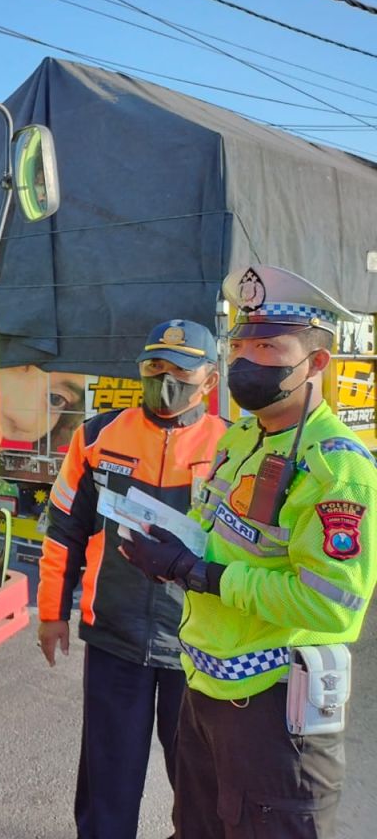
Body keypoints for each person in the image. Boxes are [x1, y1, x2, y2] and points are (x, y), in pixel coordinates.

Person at [122, 266, 377, 839]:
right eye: (240, 345)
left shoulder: (337, 468)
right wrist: (172, 547)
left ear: (315, 363)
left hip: (275, 713)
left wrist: (204, 574)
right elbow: (221, 535)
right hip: (207, 692)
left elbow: (333, 606)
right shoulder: (241, 436)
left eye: (268, 346)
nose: (246, 361)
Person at [36, 319, 228, 839]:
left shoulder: (232, 447)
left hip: (197, 647)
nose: (165, 380)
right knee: (107, 786)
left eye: (181, 371)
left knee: (200, 788)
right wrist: (51, 613)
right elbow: (64, 532)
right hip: (115, 640)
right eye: (153, 367)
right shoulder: (97, 436)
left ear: (209, 381)